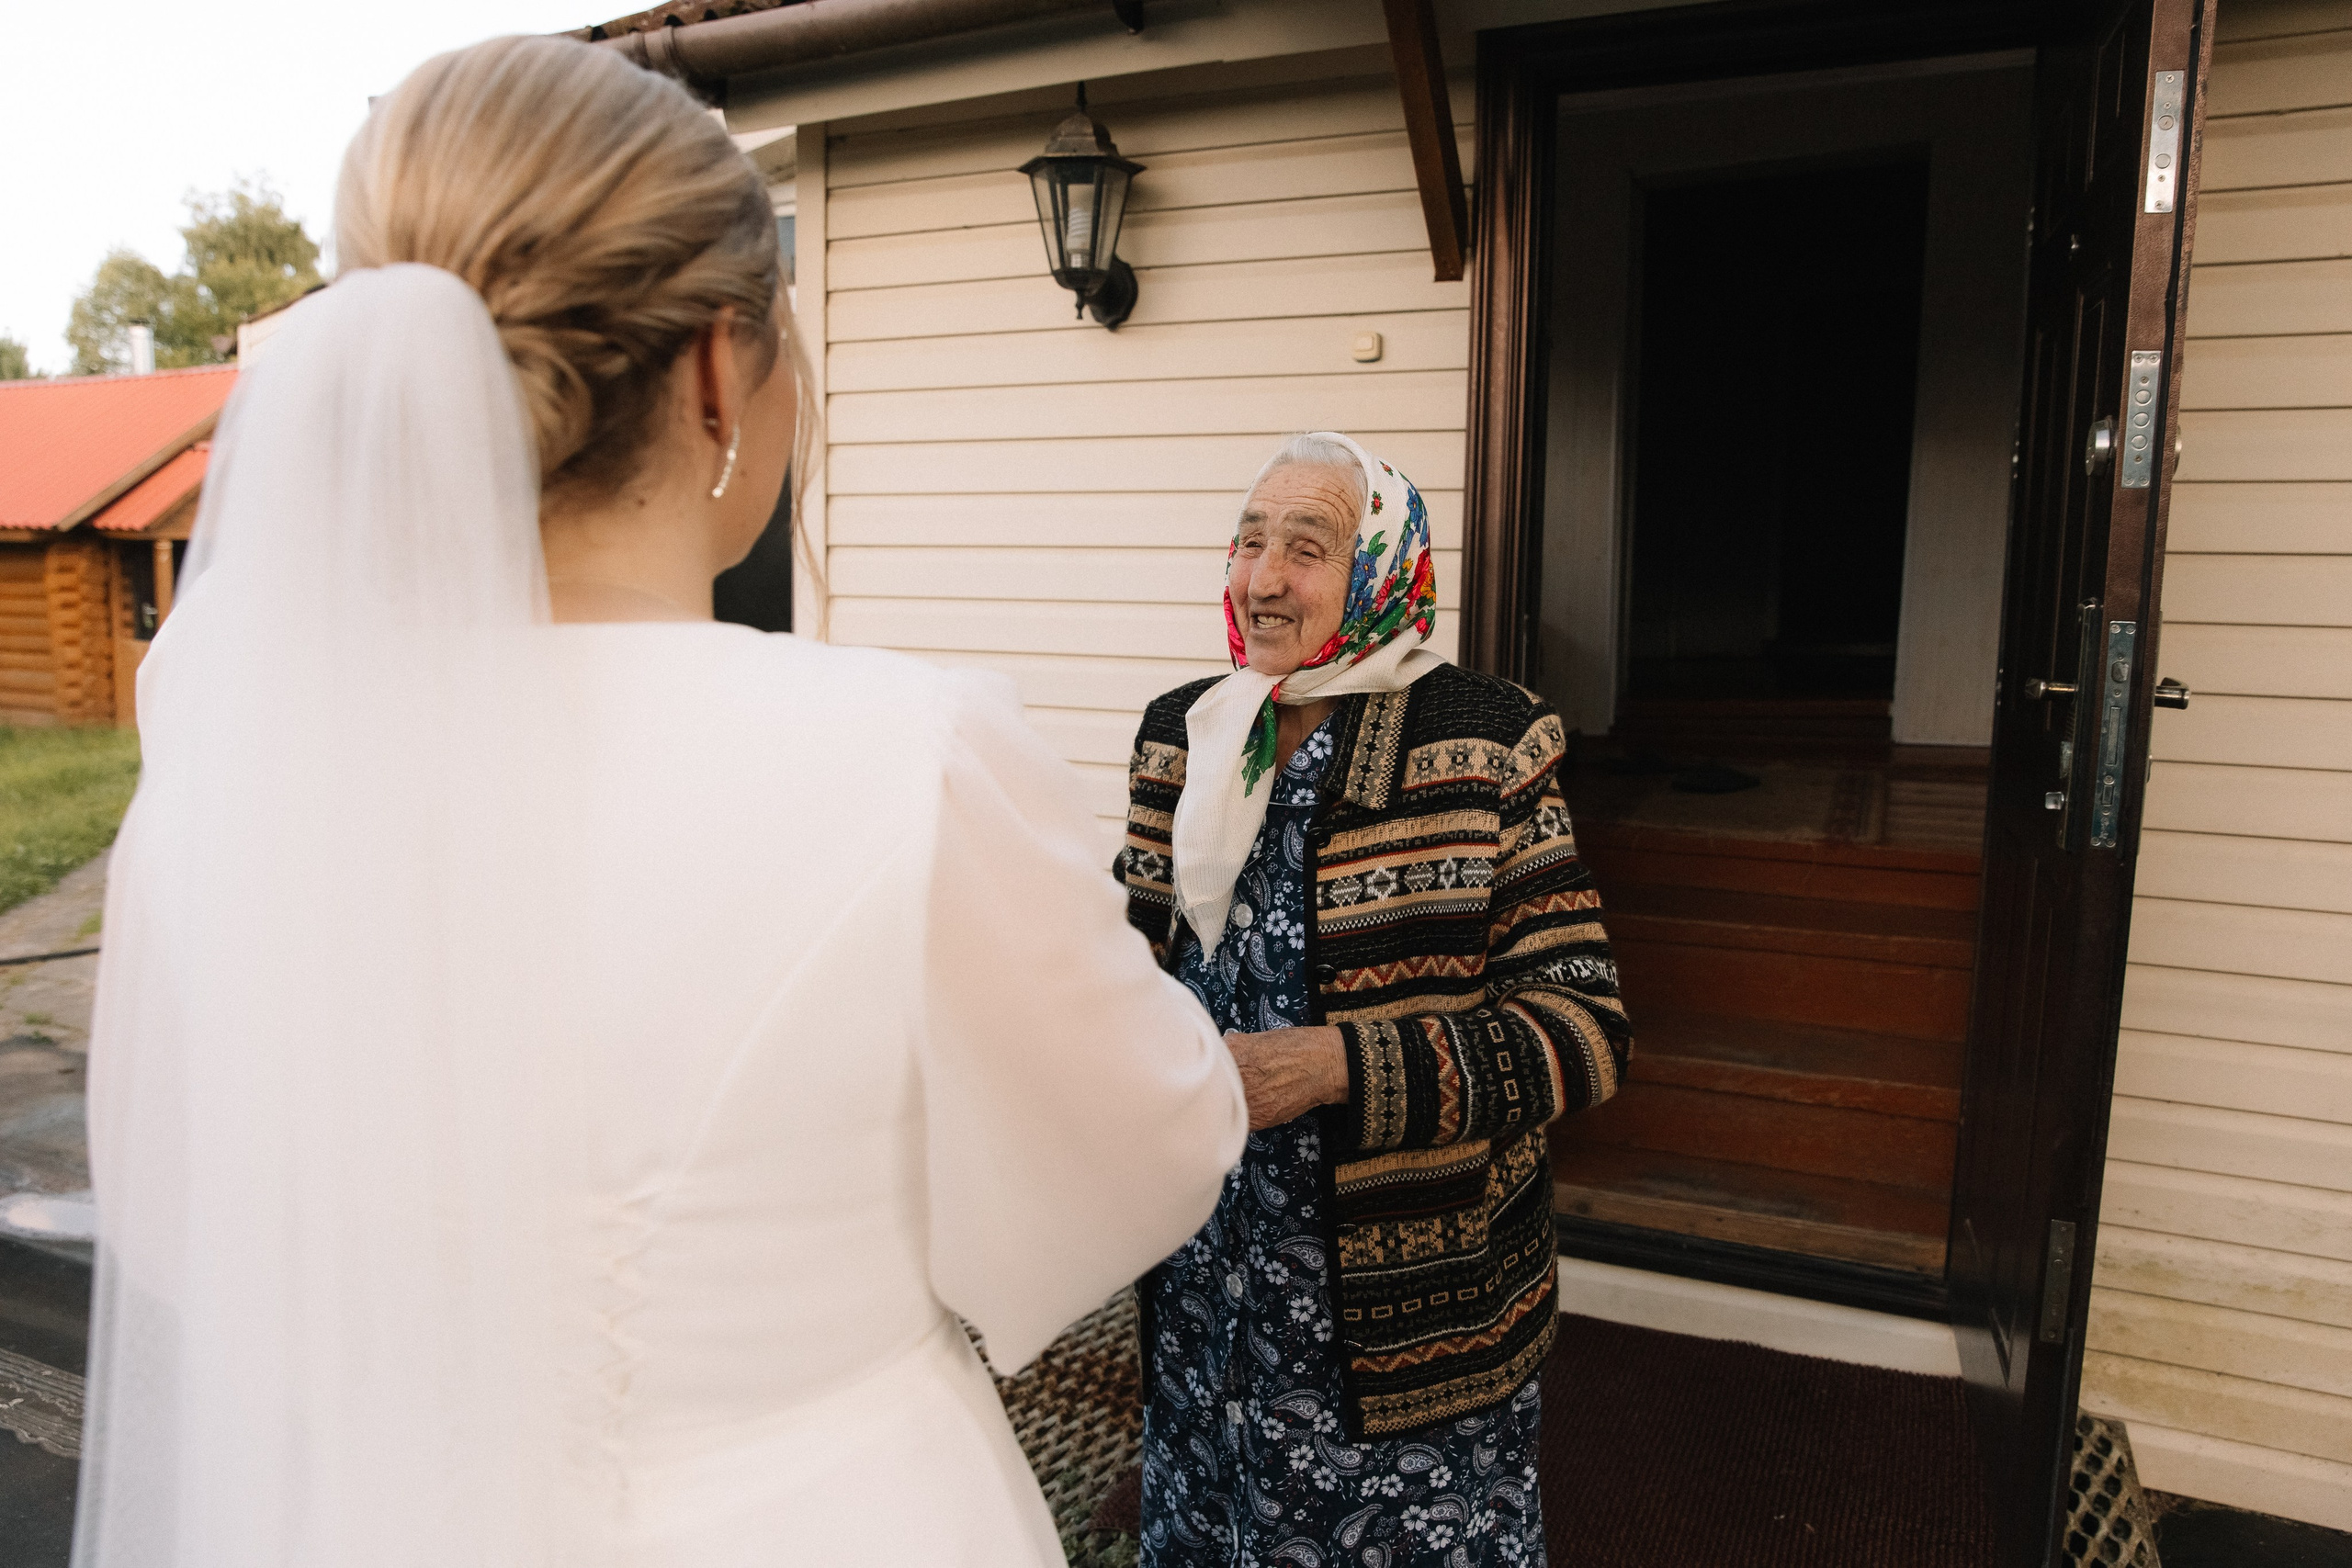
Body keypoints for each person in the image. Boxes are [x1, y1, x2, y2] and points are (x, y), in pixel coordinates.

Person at [74, 36, 1247, 1568]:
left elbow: (178, 1219)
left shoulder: (232, 782)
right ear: (715, 364)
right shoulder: (907, 757)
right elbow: (1135, 1160)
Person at [1115, 434, 1634, 1568]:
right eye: (1250, 542)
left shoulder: (1486, 741)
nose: (1262, 578)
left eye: (1306, 549)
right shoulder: (1185, 734)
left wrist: (1336, 1064)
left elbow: (1581, 1033)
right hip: (1210, 1298)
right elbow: (1131, 961)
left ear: (1388, 570)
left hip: (1412, 1326)